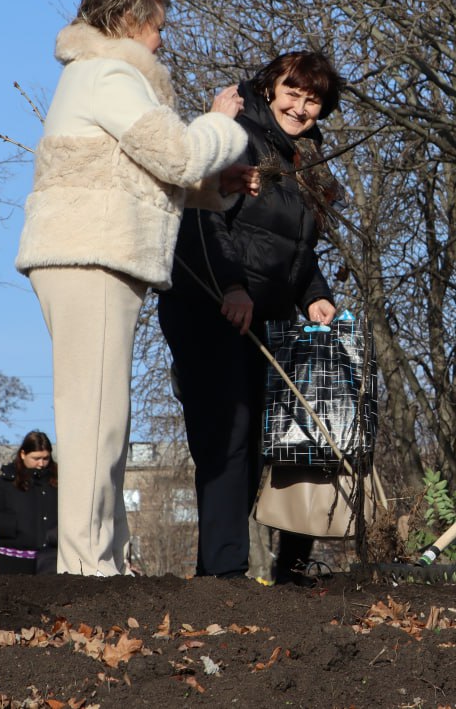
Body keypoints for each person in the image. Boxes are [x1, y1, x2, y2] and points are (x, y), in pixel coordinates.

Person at [15, 0, 257, 576]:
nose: (162, 40)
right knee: (94, 417)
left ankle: (106, 560)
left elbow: (136, 171)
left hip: (89, 252)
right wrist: (221, 120)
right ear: (130, 21)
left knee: (104, 416)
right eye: (158, 27)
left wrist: (216, 187)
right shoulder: (109, 73)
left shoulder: (95, 75)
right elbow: (178, 153)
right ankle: (87, 567)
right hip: (89, 254)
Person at [157, 51, 343, 581]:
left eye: (313, 100)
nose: (301, 108)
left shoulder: (304, 157)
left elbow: (293, 246)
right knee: (227, 435)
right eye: (292, 93)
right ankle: (222, 574)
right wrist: (232, 285)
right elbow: (200, 217)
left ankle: (228, 570)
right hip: (210, 306)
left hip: (263, 316)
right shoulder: (235, 134)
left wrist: (314, 294)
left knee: (262, 441)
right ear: (268, 89)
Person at [0, 432, 59, 575]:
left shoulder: (58, 483)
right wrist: (16, 525)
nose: (41, 464)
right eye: (36, 458)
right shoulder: (4, 483)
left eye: (45, 458)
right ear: (23, 454)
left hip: (51, 562)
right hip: (14, 564)